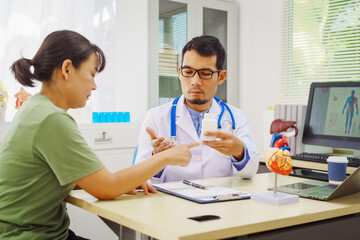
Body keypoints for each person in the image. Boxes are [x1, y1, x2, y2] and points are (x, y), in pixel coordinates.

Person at [0, 30, 199, 240]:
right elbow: (107, 188)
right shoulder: (51, 119)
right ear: (67, 69)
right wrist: (166, 157)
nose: (94, 86)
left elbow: (81, 179)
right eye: (92, 74)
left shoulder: (34, 107)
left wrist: (125, 181)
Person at [135, 35, 259, 183]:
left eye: (205, 74)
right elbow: (140, 181)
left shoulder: (235, 117)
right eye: (188, 72)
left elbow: (250, 172)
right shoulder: (156, 117)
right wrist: (158, 159)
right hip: (173, 204)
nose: (195, 82)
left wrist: (240, 152)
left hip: (220, 202)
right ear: (180, 73)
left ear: (221, 77)